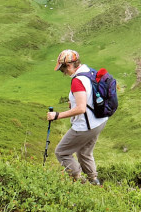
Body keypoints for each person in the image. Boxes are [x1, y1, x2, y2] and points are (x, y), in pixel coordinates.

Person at [45, 49, 108, 185]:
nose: (64, 73)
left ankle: (79, 181)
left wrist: (57, 115)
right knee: (84, 152)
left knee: (62, 152)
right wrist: (72, 102)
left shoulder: (77, 81)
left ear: (68, 65)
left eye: (63, 70)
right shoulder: (90, 72)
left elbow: (81, 108)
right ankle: (94, 181)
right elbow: (89, 97)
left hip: (86, 125)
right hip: (99, 121)